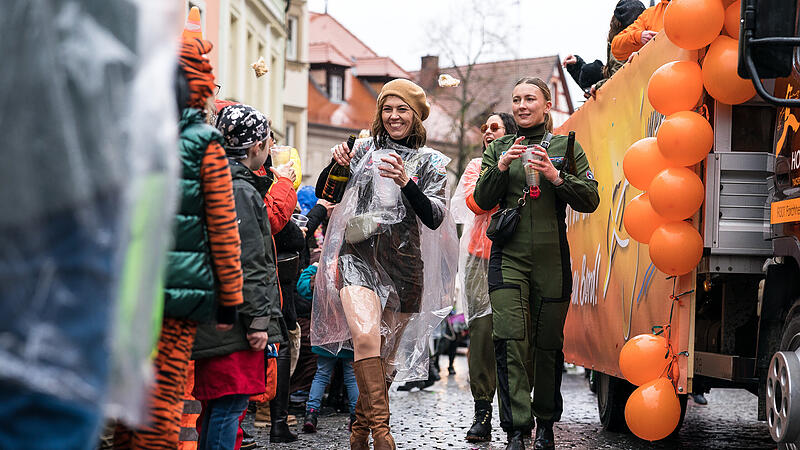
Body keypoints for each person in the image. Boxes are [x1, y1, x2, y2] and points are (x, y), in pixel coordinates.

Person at [113, 35, 245, 449]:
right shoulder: (204, 144)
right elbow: (223, 228)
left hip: (122, 291)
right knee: (162, 403)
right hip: (177, 297)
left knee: (125, 403)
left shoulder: (122, 133)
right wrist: (230, 298)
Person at [312, 78, 458, 450]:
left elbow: (436, 217)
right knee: (364, 337)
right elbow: (325, 194)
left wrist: (408, 182)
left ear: (416, 116)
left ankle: (359, 431)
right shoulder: (360, 149)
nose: (393, 116)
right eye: (387, 109)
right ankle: (382, 434)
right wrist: (336, 163)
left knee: (386, 359)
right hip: (357, 256)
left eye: (402, 109)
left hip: (405, 265)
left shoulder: (432, 163)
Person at [473, 77, 600, 450]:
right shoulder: (497, 147)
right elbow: (481, 199)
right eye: (516, 100)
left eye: (530, 99)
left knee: (547, 345)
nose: (522, 106)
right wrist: (500, 166)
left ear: (547, 105)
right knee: (510, 340)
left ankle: (545, 424)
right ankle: (516, 429)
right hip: (508, 257)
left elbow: (590, 198)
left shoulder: (566, 144)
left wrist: (555, 176)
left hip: (552, 259)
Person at [191, 104, 292, 450]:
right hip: (235, 320)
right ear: (254, 149)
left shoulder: (214, 179)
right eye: (266, 143)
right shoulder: (241, 191)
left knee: (217, 404)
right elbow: (249, 261)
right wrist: (258, 321)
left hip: (215, 314)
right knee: (230, 403)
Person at [450, 112, 518, 443]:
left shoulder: (524, 161)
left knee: (514, 336)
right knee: (481, 333)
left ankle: (515, 411)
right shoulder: (477, 166)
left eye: (496, 128)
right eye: (485, 129)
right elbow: (472, 204)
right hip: (480, 259)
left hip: (517, 256)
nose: (488, 132)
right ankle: (482, 412)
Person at [300, 262, 360, 434]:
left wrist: (313, 269)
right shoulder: (354, 264)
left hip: (326, 331)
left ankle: (311, 414)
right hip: (348, 331)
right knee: (351, 376)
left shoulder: (323, 265)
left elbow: (302, 288)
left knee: (321, 374)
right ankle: (356, 418)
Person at [563, 0, 646, 98]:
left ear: (617, 22)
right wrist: (577, 65)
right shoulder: (642, 38)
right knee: (590, 70)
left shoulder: (621, 44)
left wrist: (597, 87)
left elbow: (618, 78)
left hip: (628, 102)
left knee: (591, 70)